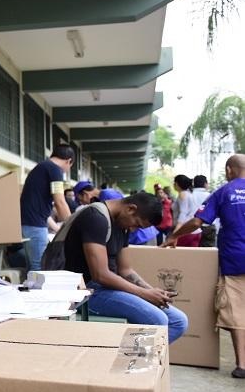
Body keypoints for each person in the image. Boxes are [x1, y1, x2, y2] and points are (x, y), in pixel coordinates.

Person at [64, 192, 188, 342]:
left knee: (179, 322)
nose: (134, 229)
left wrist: (152, 291)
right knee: (158, 321)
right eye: (137, 224)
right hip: (85, 292)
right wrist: (143, 293)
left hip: (108, 289)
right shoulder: (96, 218)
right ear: (131, 209)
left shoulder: (122, 225)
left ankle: (136, 358)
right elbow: (100, 274)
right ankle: (127, 360)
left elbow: (125, 270)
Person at [165, 154, 245, 377]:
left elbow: (197, 222)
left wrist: (174, 236)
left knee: (238, 310)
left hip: (236, 258)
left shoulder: (224, 192)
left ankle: (242, 365)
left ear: (229, 170)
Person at [20, 144, 74, 271]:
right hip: (35, 225)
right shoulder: (55, 170)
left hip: (29, 223)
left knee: (34, 267)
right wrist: (72, 227)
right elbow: (60, 201)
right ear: (69, 161)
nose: (66, 171)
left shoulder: (42, 167)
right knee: (40, 267)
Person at [172, 174, 200, 246]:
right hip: (195, 231)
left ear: (177, 184)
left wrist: (176, 232)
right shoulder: (190, 194)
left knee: (180, 255)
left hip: (184, 231)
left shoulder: (182, 194)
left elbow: (183, 213)